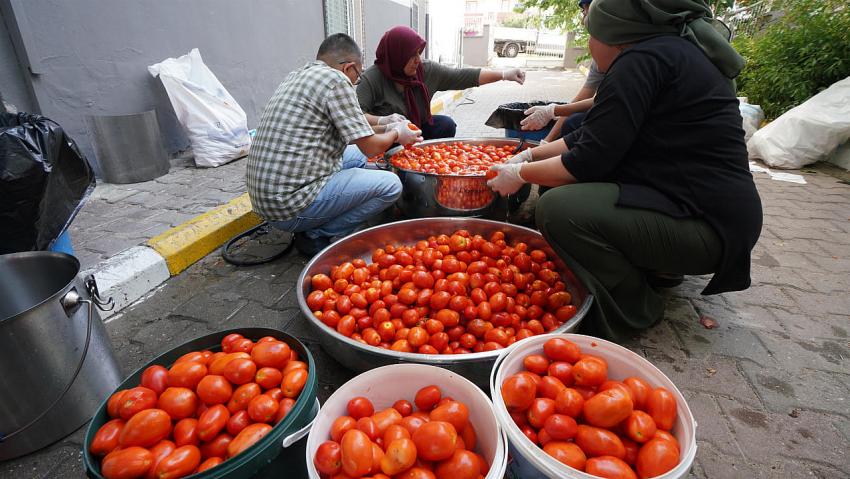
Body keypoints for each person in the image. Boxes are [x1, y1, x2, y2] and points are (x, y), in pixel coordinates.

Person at [487, 0, 762, 339]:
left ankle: (634, 307)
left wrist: (519, 175)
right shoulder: (666, 52)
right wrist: (529, 156)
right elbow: (590, 135)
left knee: (560, 209)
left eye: (591, 36)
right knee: (573, 184)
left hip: (708, 229)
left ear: (614, 36)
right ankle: (648, 266)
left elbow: (585, 162)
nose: (590, 47)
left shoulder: (641, 61)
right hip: (711, 214)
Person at [247, 33, 422, 256]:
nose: (356, 81)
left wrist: (385, 123)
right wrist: (397, 134)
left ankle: (318, 217)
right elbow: (371, 147)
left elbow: (354, 125)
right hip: (287, 207)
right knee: (391, 186)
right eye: (358, 76)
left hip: (266, 198)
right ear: (349, 67)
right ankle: (317, 233)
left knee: (356, 156)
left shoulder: (299, 75)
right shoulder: (337, 81)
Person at [357, 25, 526, 140]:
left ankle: (426, 160)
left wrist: (504, 74)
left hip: (418, 129)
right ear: (396, 56)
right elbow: (356, 115)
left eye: (419, 53)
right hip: (389, 137)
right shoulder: (372, 78)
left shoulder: (425, 70)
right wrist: (383, 121)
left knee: (445, 125)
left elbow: (463, 76)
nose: (417, 60)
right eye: (411, 55)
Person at [521, 0, 600, 141]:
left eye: (585, 13)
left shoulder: (630, 62)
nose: (583, 22)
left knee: (575, 123)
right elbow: (582, 99)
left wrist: (553, 110)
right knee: (572, 122)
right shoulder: (600, 59)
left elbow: (606, 100)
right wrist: (547, 142)